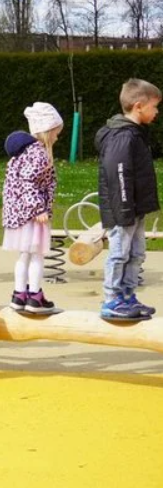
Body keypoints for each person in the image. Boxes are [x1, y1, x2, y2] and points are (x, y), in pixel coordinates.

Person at [96, 78, 161, 320]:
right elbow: (119, 174)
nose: (157, 112)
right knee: (119, 253)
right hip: (123, 209)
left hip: (134, 208)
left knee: (136, 253)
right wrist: (125, 209)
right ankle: (112, 299)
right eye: (155, 107)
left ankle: (127, 295)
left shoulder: (135, 134)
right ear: (138, 106)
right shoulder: (122, 137)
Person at [2, 103, 63, 314]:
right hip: (33, 215)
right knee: (37, 255)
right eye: (56, 132)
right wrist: (38, 209)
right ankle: (35, 296)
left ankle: (19, 294)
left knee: (24, 255)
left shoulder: (23, 153)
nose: (57, 137)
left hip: (19, 214)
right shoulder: (38, 153)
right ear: (47, 130)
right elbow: (28, 182)